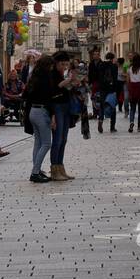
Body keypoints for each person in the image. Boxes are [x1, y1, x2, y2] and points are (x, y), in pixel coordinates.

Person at [23, 54, 55, 183]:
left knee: (38, 142)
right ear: (48, 65)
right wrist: (52, 115)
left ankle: (37, 169)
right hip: (42, 112)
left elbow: (25, 95)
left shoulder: (33, 77)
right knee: (47, 143)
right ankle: (35, 172)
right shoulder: (46, 78)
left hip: (33, 111)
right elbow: (49, 98)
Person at [49, 51, 76, 182]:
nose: (64, 66)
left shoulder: (62, 73)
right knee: (57, 139)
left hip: (66, 106)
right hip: (57, 107)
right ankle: (54, 169)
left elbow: (65, 88)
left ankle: (61, 167)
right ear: (56, 63)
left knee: (64, 139)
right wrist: (68, 81)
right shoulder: (52, 74)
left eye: (66, 64)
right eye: (62, 64)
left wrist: (73, 84)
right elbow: (56, 88)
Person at [97, 53, 119, 133]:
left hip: (102, 89)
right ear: (112, 58)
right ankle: (112, 127)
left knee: (103, 106)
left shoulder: (101, 65)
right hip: (111, 89)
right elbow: (115, 79)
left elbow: (99, 77)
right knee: (112, 106)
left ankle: (100, 120)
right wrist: (116, 90)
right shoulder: (114, 67)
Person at [126, 54, 140, 132]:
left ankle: (131, 122)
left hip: (132, 88)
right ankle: (139, 127)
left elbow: (128, 80)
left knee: (132, 108)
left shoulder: (129, 68)